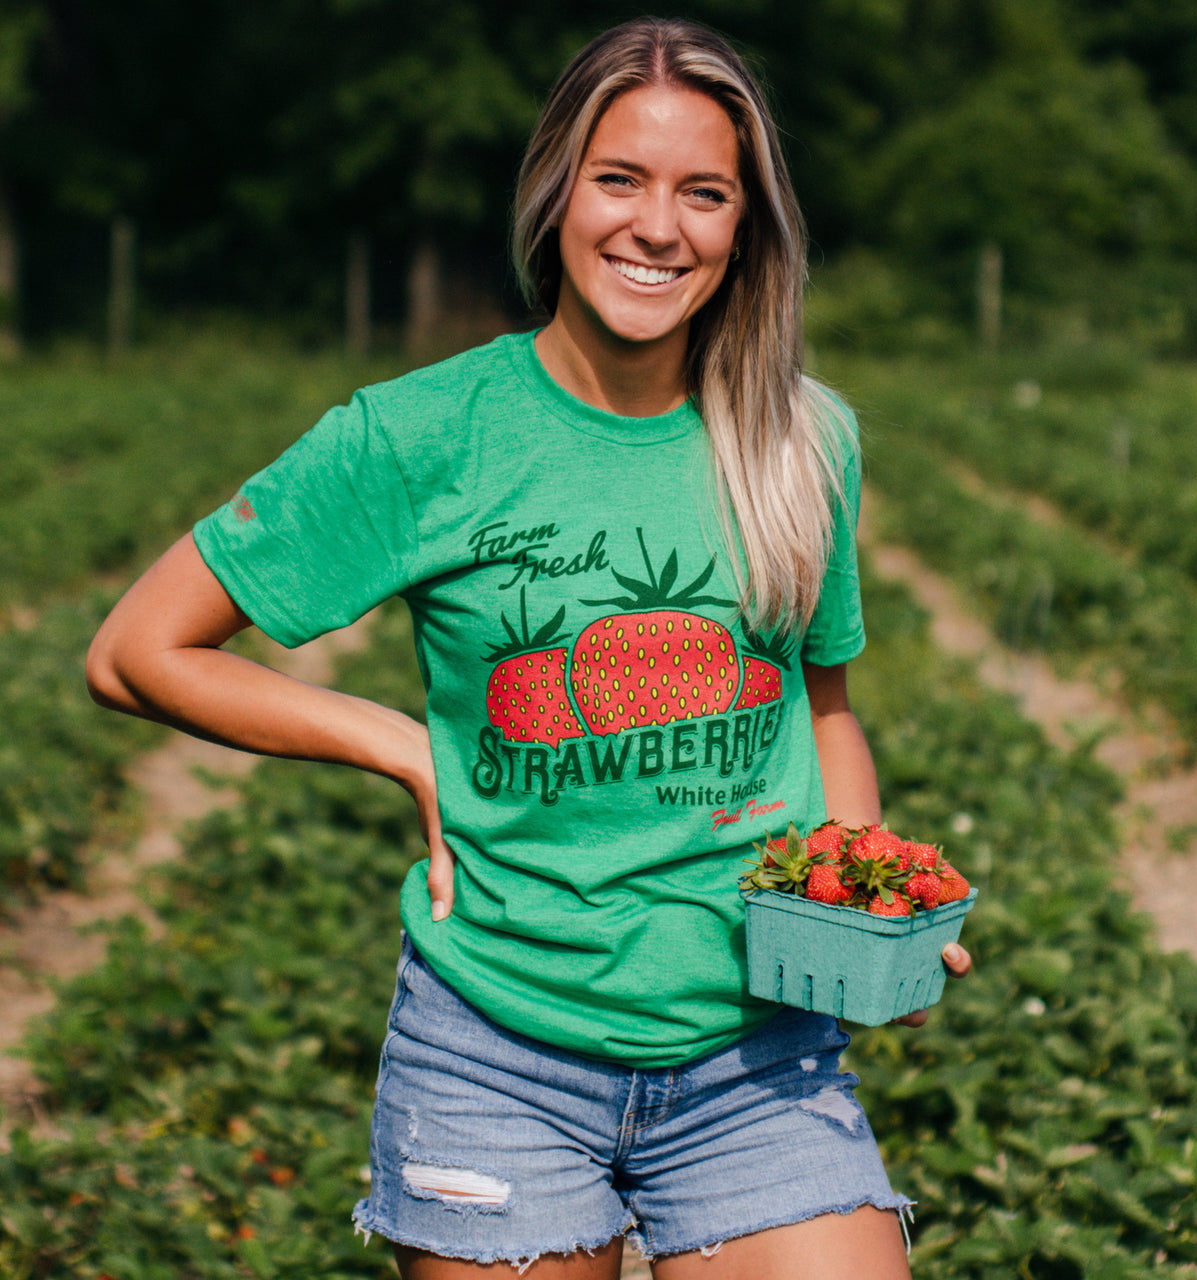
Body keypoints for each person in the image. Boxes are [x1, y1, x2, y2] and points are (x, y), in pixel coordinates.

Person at [87, 16, 970, 1279]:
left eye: (702, 193)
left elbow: (822, 707)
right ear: (557, 191)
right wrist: (395, 741)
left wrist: (863, 906)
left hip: (755, 1057)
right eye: (620, 180)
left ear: (744, 228)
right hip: (498, 1051)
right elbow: (136, 649)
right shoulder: (421, 434)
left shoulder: (800, 439)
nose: (657, 228)